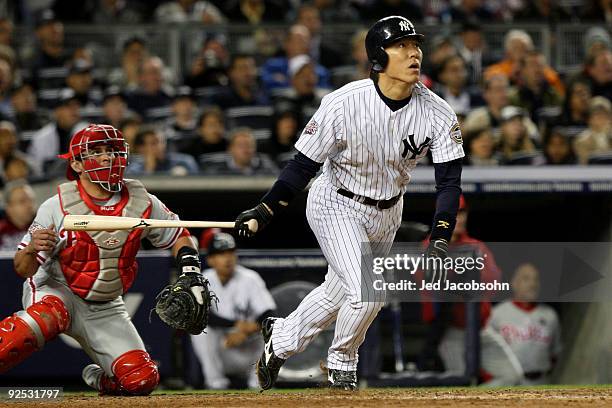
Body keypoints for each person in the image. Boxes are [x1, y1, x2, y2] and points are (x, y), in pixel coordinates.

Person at [235, 16, 465, 390]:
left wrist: (441, 234)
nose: (414, 53)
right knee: (368, 289)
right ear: (379, 55)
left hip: (389, 210)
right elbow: (303, 165)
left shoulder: (437, 112)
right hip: (336, 201)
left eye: (416, 45)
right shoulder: (342, 103)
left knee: (337, 293)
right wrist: (265, 209)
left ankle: (281, 339)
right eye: (402, 46)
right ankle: (342, 361)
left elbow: (449, 183)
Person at [0, 123, 208, 396]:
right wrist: (30, 250)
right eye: (96, 152)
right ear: (76, 164)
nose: (107, 157)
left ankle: (102, 380)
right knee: (37, 322)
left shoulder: (142, 200)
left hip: (105, 304)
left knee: (141, 379)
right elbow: (22, 268)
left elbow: (179, 235)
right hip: (58, 289)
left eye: (111, 150)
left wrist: (190, 270)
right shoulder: (56, 205)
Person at [191, 232, 276, 389]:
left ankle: (259, 381)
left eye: (231, 252)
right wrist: (237, 325)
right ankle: (216, 383)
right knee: (201, 330)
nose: (228, 258)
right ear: (210, 259)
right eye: (221, 254)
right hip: (224, 349)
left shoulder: (250, 278)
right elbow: (202, 316)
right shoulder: (203, 280)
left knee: (273, 330)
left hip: (250, 350)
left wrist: (246, 331)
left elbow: (269, 314)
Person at [487, 263, 562, 385]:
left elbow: (555, 354)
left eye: (536, 279)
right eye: (526, 279)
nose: (532, 284)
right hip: (508, 384)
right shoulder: (496, 314)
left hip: (541, 383)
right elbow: (486, 352)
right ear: (514, 283)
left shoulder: (550, 315)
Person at [27, 88, 87, 175]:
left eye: (77, 105)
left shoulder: (89, 134)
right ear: (57, 111)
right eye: (68, 106)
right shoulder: (41, 138)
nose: (74, 109)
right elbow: (37, 171)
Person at [202, 128, 277, 176]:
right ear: (230, 149)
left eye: (249, 145)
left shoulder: (266, 164)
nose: (246, 149)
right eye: (240, 145)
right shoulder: (218, 169)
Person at [128, 128, 199, 176]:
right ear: (142, 148)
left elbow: (198, 182)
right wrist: (149, 169)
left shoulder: (185, 161)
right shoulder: (134, 169)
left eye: (161, 142)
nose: (160, 146)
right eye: (154, 143)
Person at [573, 96, 612, 164]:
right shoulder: (581, 140)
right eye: (597, 114)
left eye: (605, 114)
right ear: (590, 119)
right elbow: (585, 163)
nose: (601, 117)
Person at [0, 180, 36, 252]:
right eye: (22, 201)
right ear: (9, 208)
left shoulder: (43, 228)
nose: (29, 205)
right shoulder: (1, 230)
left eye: (31, 200)